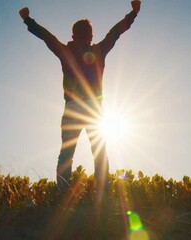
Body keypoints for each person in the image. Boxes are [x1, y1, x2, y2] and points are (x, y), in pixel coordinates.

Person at [19, 1, 141, 195]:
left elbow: (47, 37)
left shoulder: (66, 51)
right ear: (91, 36)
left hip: (73, 108)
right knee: (99, 154)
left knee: (67, 154)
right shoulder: (98, 51)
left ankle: (61, 194)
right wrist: (132, 14)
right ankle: (102, 194)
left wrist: (28, 20)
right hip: (94, 108)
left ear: (73, 36)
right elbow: (115, 33)